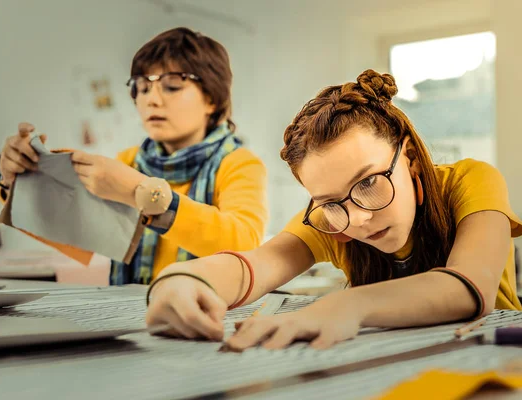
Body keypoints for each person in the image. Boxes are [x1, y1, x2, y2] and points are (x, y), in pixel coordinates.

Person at [144, 69, 522, 350]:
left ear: (410, 159)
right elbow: (254, 266)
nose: (356, 218)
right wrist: (183, 278)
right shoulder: (331, 219)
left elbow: (471, 286)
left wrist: (347, 306)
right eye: (328, 202)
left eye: (369, 183)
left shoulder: (471, 180)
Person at [0, 27, 268, 285]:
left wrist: (143, 193)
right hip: (139, 316)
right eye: (143, 87)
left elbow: (245, 245)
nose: (152, 99)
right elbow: (72, 228)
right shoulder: (129, 161)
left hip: (217, 319)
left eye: (172, 86)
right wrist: (18, 178)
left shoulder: (238, 163)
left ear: (212, 99)